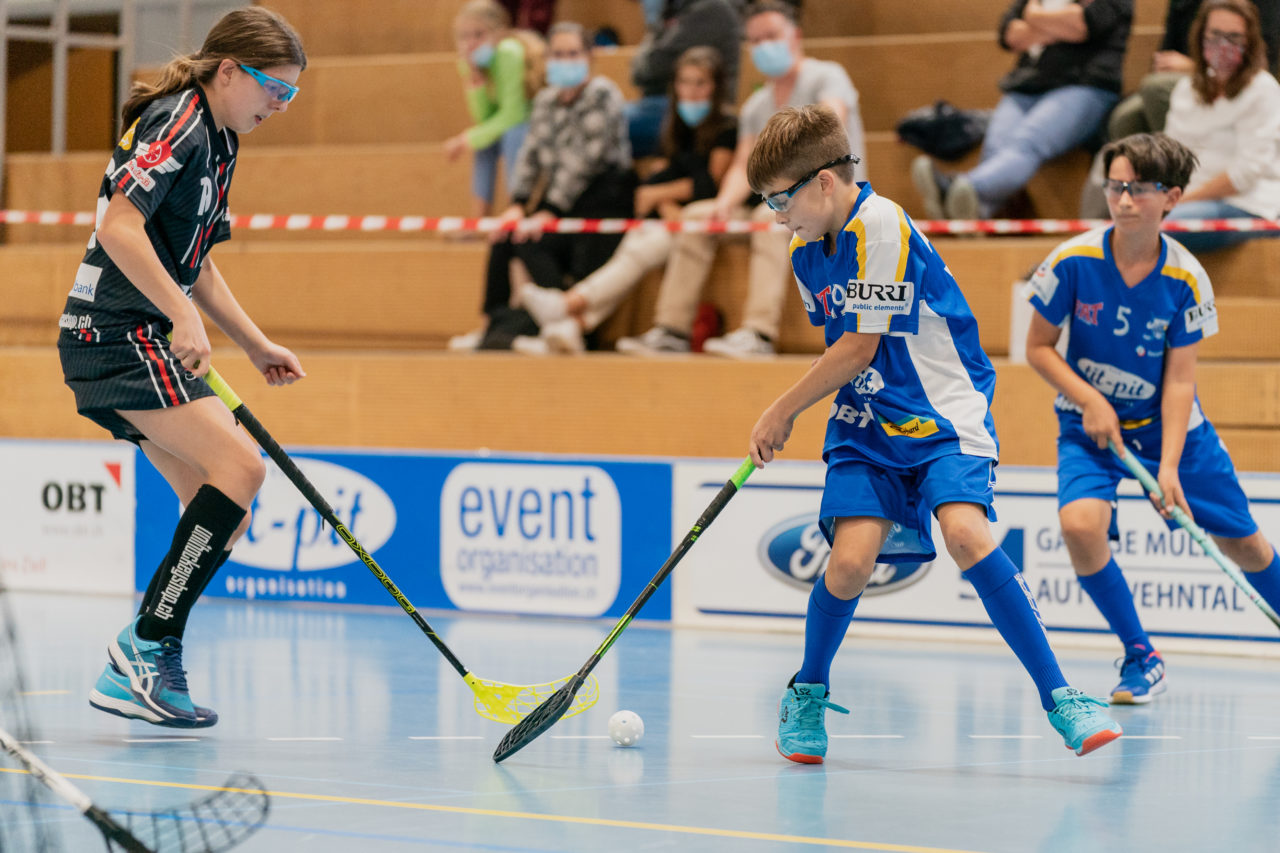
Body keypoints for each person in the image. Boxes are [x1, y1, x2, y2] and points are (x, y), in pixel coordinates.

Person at [745, 104, 1122, 763]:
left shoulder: (881, 222)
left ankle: (1062, 697)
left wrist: (783, 408)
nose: (777, 215)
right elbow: (844, 347)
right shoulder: (806, 252)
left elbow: (860, 345)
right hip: (868, 424)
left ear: (825, 183)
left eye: (781, 199)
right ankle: (807, 691)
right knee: (849, 562)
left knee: (968, 534)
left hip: (945, 411)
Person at [57, 8, 307, 727]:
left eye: (290, 96)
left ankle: (142, 658)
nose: (278, 107)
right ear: (229, 70)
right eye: (273, 89)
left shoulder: (222, 140)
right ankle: (145, 645)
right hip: (110, 332)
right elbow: (119, 225)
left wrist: (254, 343)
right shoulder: (181, 119)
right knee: (245, 467)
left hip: (138, 333)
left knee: (222, 514)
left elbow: (192, 265)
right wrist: (183, 318)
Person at [1025, 132, 1280, 704]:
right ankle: (1141, 655)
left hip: (1172, 431)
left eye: (1138, 189)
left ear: (1171, 197)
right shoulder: (1073, 261)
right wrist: (1089, 399)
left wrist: (1167, 467)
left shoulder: (1187, 277)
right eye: (1115, 186)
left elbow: (1181, 381)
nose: (1123, 199)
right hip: (1088, 428)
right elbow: (1039, 347)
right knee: (1080, 526)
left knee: (1246, 546)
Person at [617, 0, 866, 359]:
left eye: (772, 36)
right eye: (757, 39)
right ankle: (671, 330)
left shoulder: (826, 76)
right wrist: (724, 203)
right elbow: (739, 167)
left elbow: (829, 126)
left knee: (770, 219)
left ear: (794, 36)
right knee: (696, 217)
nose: (765, 45)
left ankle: (758, 334)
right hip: (782, 201)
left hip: (834, 201)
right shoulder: (755, 106)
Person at [516, 46, 737, 354]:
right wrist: (666, 204)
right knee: (632, 246)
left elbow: (712, 183)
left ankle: (568, 305)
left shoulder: (726, 127)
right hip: (673, 217)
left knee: (639, 251)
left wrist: (660, 196)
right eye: (685, 81)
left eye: (700, 82)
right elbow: (658, 177)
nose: (692, 90)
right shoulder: (675, 126)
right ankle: (570, 326)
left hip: (706, 219)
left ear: (716, 86)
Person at [449, 21, 634, 351]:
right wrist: (519, 203)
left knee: (534, 237)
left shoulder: (602, 94)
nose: (565, 60)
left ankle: (563, 320)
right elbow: (529, 157)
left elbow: (583, 163)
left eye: (573, 53)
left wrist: (548, 211)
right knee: (507, 232)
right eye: (558, 54)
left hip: (604, 202)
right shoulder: (546, 101)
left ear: (590, 56)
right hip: (562, 203)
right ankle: (492, 325)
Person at [912, 0, 1132, 220]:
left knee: (1027, 142)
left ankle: (955, 189)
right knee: (996, 147)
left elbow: (1082, 26)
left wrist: (1034, 16)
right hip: (1026, 87)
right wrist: (1059, 27)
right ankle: (973, 211)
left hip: (1085, 87)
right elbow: (1009, 34)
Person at [1162, 0, 1280, 253]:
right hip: (1186, 203)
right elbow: (1171, 156)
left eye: (1233, 37)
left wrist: (1179, 202)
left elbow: (1245, 174)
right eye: (1214, 35)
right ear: (1200, 35)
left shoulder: (1263, 90)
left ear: (1249, 42)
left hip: (1248, 205)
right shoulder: (1186, 90)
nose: (1223, 45)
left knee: (1166, 227)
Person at [443, 0, 539, 219]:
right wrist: (476, 80)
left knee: (513, 134)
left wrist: (466, 138)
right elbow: (484, 118)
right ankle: (478, 221)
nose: (471, 43)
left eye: (479, 34)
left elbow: (515, 114)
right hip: (509, 124)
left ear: (500, 34)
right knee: (484, 144)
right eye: (464, 36)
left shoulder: (509, 53)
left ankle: (517, 211)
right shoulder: (469, 62)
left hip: (533, 125)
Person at [626, 0, 741, 158]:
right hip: (669, 104)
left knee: (614, 123)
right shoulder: (679, 10)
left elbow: (652, 66)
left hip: (703, 107)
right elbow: (638, 73)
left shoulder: (710, 9)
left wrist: (653, 28)